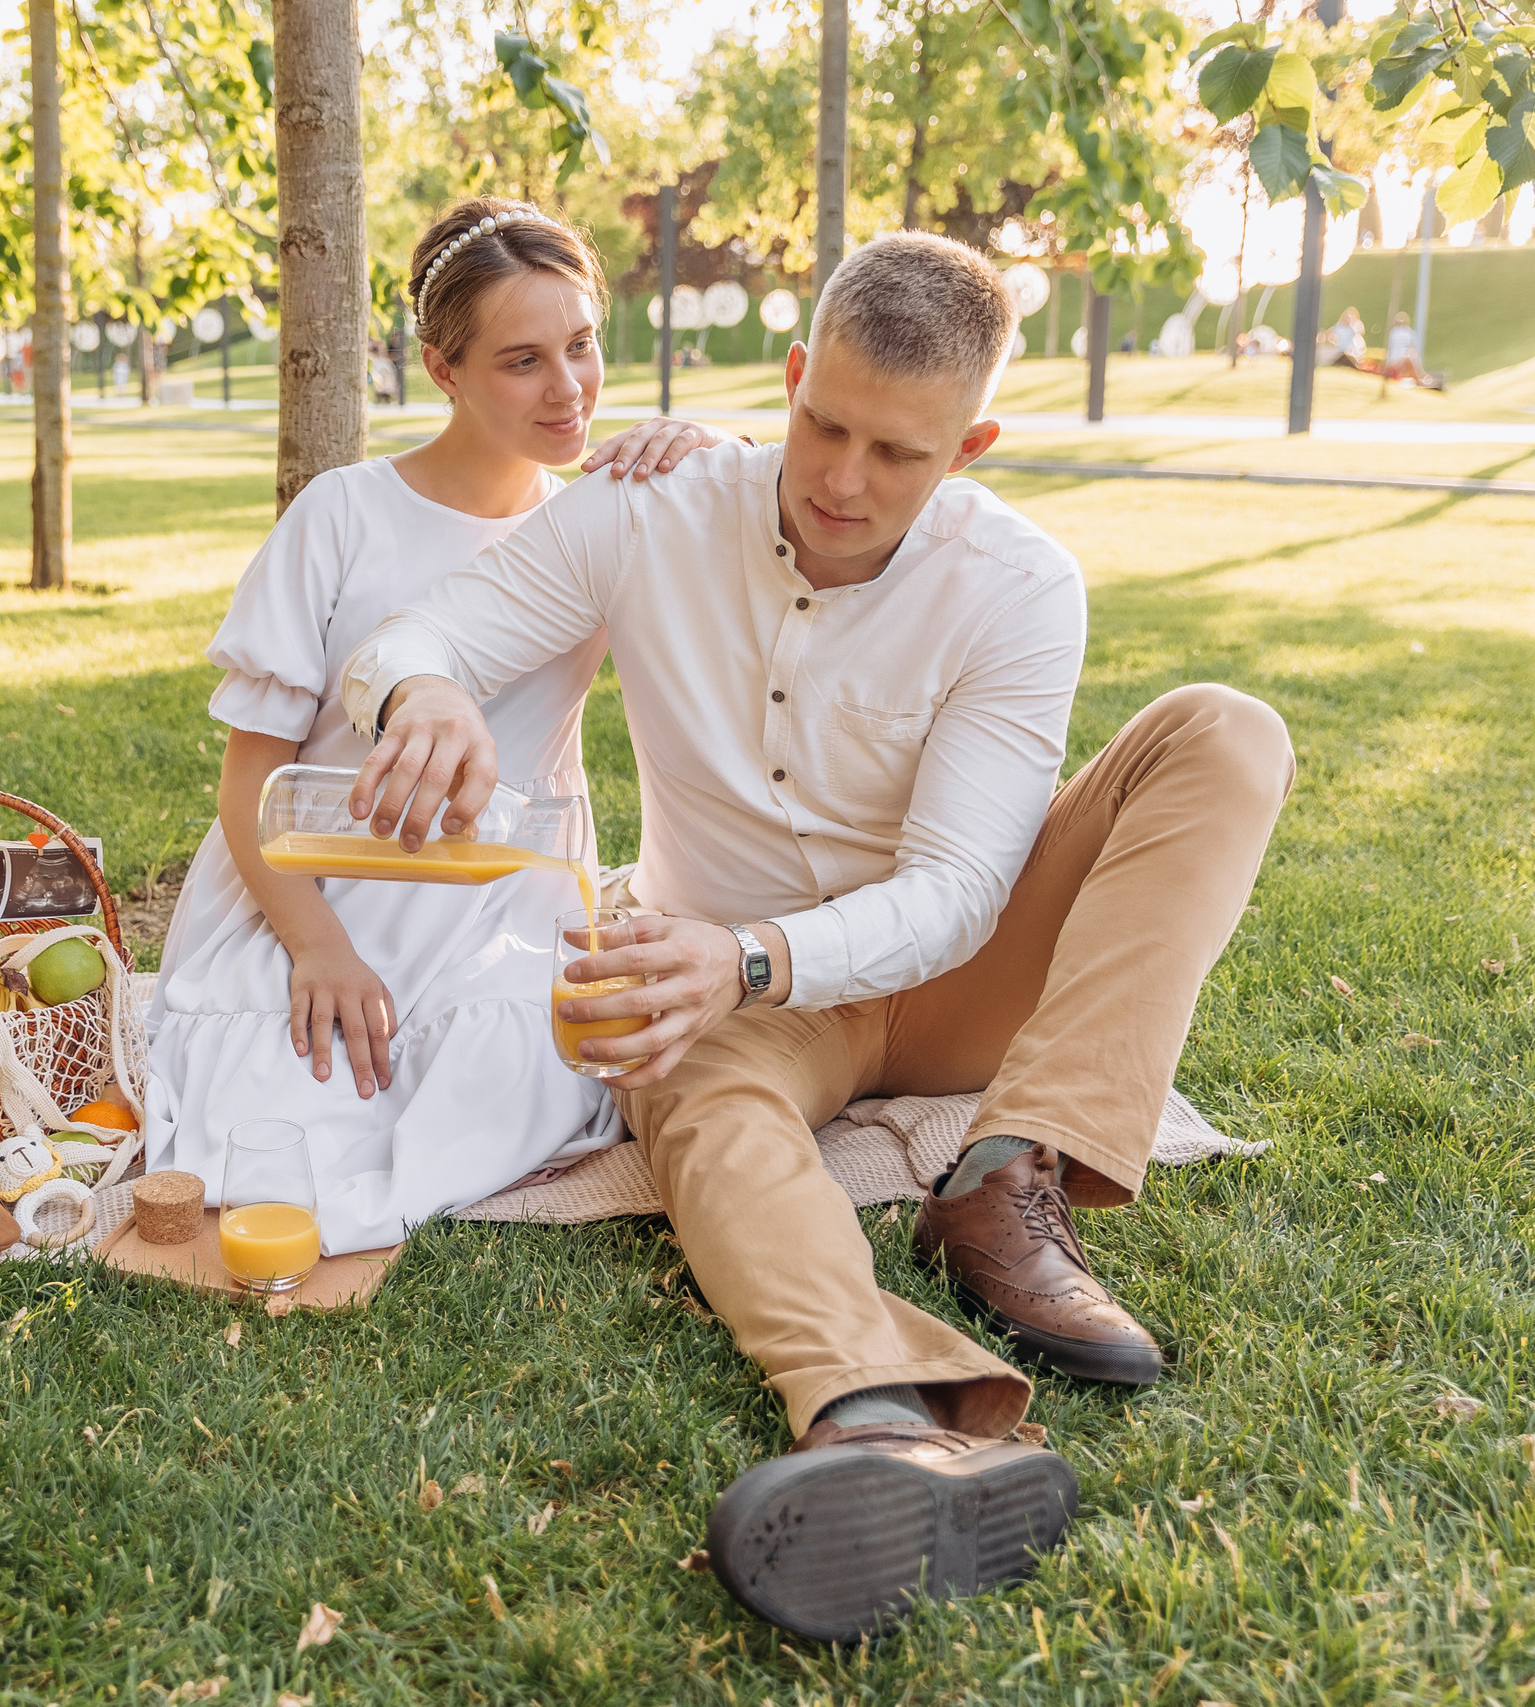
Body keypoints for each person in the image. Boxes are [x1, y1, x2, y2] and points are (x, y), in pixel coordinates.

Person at [342, 232, 1293, 1642]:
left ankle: (1005, 1167)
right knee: (686, 1092)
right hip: (732, 988)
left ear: (969, 442)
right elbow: (412, 634)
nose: (844, 480)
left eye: (899, 454)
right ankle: (875, 1416)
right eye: (823, 423)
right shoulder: (649, 509)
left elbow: (966, 888)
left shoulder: (1020, 583)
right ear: (790, 378)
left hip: (952, 971)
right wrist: (418, 693)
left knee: (1226, 729)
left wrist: (755, 955)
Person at [142, 197, 732, 1254]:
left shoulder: (600, 516)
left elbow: (763, 571)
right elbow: (249, 783)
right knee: (264, 1121)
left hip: (501, 895)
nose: (568, 389)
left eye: (583, 346)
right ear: (442, 368)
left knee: (515, 1070)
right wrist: (315, 949)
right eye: (521, 361)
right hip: (313, 873)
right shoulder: (341, 514)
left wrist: (713, 457)